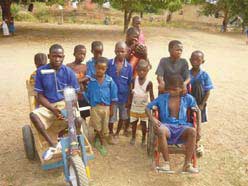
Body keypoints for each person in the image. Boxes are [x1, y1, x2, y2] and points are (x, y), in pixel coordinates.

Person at [146, 75, 201, 173]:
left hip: (182, 127)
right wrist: (153, 119)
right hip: (167, 127)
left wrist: (199, 129)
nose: (171, 92)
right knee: (161, 130)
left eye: (174, 89)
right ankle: (166, 163)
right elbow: (147, 108)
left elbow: (198, 111)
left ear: (180, 88)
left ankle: (187, 165)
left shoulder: (187, 98)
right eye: (169, 89)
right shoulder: (162, 98)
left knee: (193, 131)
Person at [29, 44, 82, 148]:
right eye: (54, 56)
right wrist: (52, 108)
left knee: (78, 120)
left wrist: (69, 107)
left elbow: (74, 94)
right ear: (49, 56)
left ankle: (66, 135)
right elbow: (40, 96)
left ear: (63, 57)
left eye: (60, 56)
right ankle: (51, 142)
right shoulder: (41, 72)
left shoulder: (69, 72)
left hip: (64, 103)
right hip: (48, 105)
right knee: (33, 116)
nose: (57, 59)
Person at [85, 57, 118, 155]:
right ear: (95, 67)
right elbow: (88, 94)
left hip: (106, 108)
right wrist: (83, 93)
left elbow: (114, 96)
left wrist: (112, 109)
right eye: (98, 68)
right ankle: (101, 140)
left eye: (103, 69)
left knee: (105, 125)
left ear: (106, 69)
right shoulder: (91, 81)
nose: (100, 70)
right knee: (97, 124)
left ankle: (101, 137)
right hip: (95, 107)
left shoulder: (109, 81)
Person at [107, 41, 133, 144]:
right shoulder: (109, 64)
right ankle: (110, 133)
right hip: (111, 97)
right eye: (117, 51)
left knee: (123, 116)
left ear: (126, 52)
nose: (120, 54)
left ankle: (117, 133)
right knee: (111, 117)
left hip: (123, 97)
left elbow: (129, 83)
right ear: (114, 51)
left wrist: (129, 99)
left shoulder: (129, 67)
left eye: (122, 51)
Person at [189, 50, 213, 156]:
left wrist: (202, 104)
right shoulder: (187, 73)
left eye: (198, 60)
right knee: (188, 121)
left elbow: (208, 91)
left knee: (197, 122)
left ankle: (196, 143)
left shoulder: (204, 75)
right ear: (190, 60)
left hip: (199, 102)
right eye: (193, 59)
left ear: (203, 61)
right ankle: (187, 140)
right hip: (188, 101)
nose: (195, 62)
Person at [129, 59, 154, 146]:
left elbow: (151, 96)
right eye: (139, 70)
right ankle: (133, 137)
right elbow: (130, 93)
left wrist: (153, 106)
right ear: (136, 70)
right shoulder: (133, 80)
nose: (141, 72)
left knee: (144, 124)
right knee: (134, 123)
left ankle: (143, 138)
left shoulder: (149, 83)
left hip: (144, 108)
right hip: (134, 106)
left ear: (147, 71)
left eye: (144, 71)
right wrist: (128, 103)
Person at [67, 44, 90, 119]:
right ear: (74, 54)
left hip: (81, 95)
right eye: (80, 53)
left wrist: (79, 80)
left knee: (83, 114)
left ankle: (83, 127)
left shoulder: (85, 67)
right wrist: (79, 80)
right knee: (73, 114)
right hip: (71, 95)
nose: (82, 56)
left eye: (84, 54)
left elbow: (88, 78)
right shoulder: (68, 67)